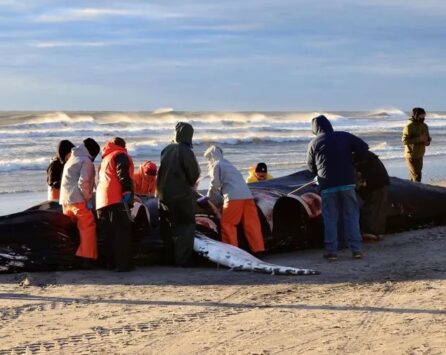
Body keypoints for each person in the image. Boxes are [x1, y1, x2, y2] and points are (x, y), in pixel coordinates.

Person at [307, 115, 369, 260]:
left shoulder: (314, 142)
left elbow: (310, 167)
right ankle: (356, 250)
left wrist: (319, 172)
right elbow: (364, 148)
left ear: (315, 129)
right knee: (351, 215)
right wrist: (353, 161)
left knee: (330, 218)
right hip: (347, 183)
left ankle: (331, 251)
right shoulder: (344, 136)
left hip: (327, 185)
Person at [204, 145, 265, 254]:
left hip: (233, 198)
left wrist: (209, 195)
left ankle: (232, 252)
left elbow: (215, 184)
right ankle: (258, 249)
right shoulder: (229, 164)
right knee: (252, 224)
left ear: (211, 157)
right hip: (248, 196)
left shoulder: (217, 165)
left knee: (228, 223)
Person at [157, 122, 201, 266]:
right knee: (186, 226)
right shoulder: (186, 151)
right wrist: (190, 183)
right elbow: (193, 173)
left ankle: (167, 258)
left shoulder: (166, 149)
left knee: (167, 227)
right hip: (180, 195)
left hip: (162, 194)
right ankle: (182, 261)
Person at [96, 137, 135, 272]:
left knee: (108, 234)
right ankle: (122, 265)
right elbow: (122, 173)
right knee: (121, 232)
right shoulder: (120, 155)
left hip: (101, 201)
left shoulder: (104, 159)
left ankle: (110, 264)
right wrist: (127, 191)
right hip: (116, 199)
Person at [59, 138, 100, 263]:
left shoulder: (72, 158)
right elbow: (83, 183)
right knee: (88, 226)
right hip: (78, 199)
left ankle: (71, 255)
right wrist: (88, 198)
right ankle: (87, 257)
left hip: (65, 200)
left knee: (72, 227)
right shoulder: (85, 161)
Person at [354, 151, 390, 240]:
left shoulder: (354, 157)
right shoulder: (364, 154)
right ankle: (378, 232)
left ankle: (370, 233)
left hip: (374, 182)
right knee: (379, 207)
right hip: (381, 180)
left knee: (371, 206)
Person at [402, 107, 431, 182]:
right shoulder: (409, 126)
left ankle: (410, 192)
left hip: (420, 154)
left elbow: (428, 138)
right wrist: (419, 139)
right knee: (417, 176)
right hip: (411, 155)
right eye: (421, 116)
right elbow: (404, 141)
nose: (423, 117)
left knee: (415, 175)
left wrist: (427, 142)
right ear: (416, 115)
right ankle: (417, 192)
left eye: (424, 116)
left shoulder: (424, 126)